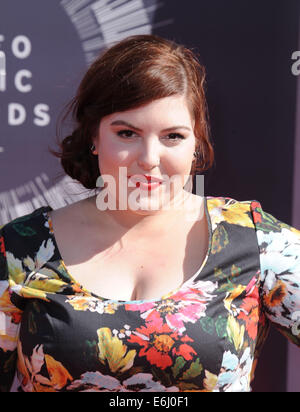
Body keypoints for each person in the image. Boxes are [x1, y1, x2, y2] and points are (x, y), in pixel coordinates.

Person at [0, 34, 299, 393]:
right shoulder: (21, 250)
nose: (149, 158)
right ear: (93, 137)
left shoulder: (254, 241)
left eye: (172, 136)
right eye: (127, 133)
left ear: (196, 144)